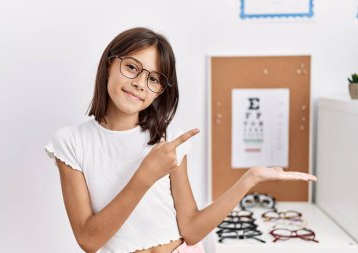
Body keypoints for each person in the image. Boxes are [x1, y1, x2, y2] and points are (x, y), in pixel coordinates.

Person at [44, 27, 317, 253]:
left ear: (160, 92)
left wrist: (250, 179)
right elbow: (88, 240)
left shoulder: (168, 141)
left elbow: (191, 230)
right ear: (108, 64)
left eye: (154, 79)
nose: (140, 83)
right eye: (131, 67)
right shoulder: (71, 142)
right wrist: (145, 176)